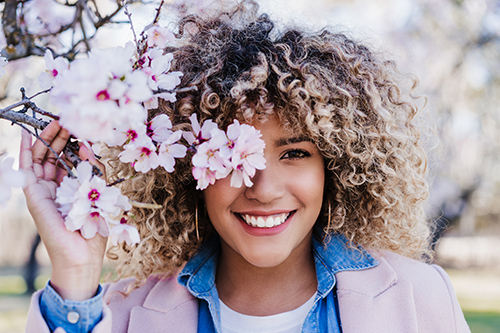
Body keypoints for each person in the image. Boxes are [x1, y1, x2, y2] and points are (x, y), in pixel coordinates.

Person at [22, 1, 470, 332]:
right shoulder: (116, 314)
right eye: (232, 155)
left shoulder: (422, 299)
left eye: (295, 152)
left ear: (335, 168)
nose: (262, 187)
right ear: (188, 170)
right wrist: (75, 278)